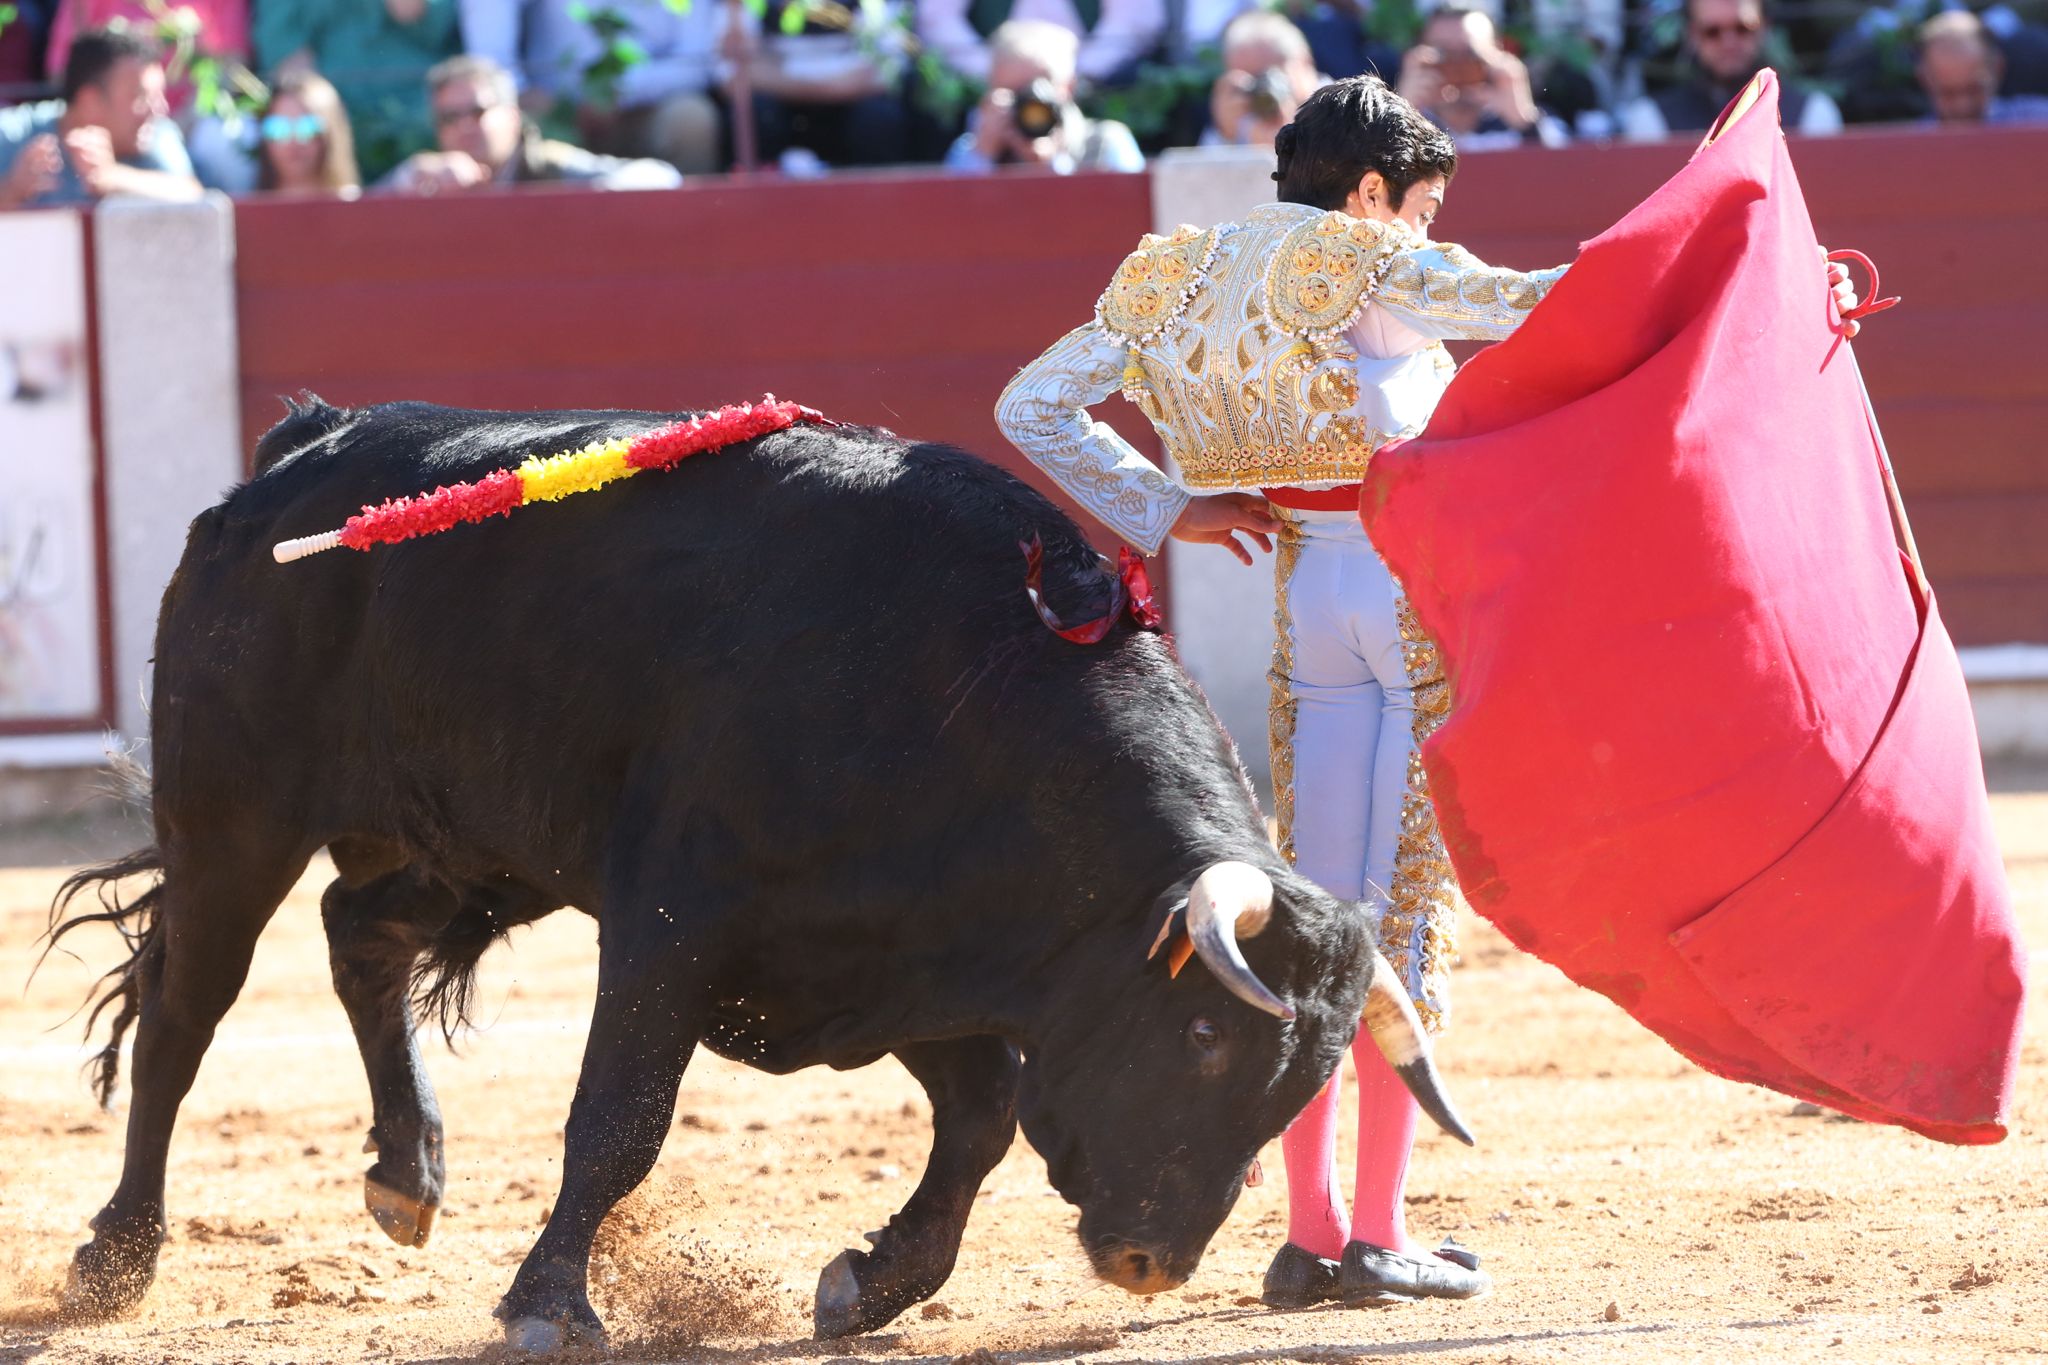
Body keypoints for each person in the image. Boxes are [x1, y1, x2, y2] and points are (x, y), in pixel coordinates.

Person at [995, 73, 1865, 1307]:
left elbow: (1029, 401)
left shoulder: (1175, 276)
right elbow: (1560, 308)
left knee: (1313, 917)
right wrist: (1780, 297)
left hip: (1301, 602)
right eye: (1419, 206)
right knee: (1393, 916)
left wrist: (1162, 505)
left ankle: (1308, 1232)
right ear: (1367, 192)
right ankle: (1375, 1233)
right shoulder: (1366, 260)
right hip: (1403, 601)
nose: (1419, 229)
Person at [459, 0, 725, 175]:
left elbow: (698, 62)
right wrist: (522, 92)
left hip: (648, 110)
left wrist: (618, 93)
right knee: (501, 126)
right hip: (553, 114)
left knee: (692, 119)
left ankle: (691, 239)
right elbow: (490, 56)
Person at [381, 54, 681, 193]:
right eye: (449, 118)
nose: (464, 127)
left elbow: (660, 175)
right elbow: (355, 208)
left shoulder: (546, 165)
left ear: (512, 117)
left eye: (477, 111)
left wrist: (600, 194)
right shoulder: (427, 179)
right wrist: (409, 177)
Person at [253, 0, 461, 180]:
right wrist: (327, 113)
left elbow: (431, 22)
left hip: (417, 114)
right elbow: (285, 50)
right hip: (330, 119)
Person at [0, 25, 199, 209]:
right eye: (142, 98)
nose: (159, 109)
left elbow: (193, 196)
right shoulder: (12, 133)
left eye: (158, 96)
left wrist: (112, 177)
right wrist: (11, 191)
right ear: (90, 101)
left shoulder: (154, 130)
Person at [720, 0, 912, 169]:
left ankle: (876, 204)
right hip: (777, 109)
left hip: (852, 106)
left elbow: (889, 70)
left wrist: (777, 73)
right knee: (756, 114)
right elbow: (730, 75)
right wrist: (832, 85)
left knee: (879, 119)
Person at [1619, 0, 1840, 140]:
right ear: (1692, 35)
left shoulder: (1812, 114)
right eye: (1712, 31)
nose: (1729, 42)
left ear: (1764, 28)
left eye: (1742, 28)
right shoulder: (1651, 120)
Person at [944, 20, 1143, 174]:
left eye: (1035, 90)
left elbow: (1131, 209)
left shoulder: (1107, 144)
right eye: (1011, 93)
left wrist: (1053, 166)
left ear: (1068, 87)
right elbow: (945, 214)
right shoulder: (971, 148)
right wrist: (982, 157)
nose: (1026, 104)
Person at [1397, 6, 1564, 149]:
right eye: (1442, 53)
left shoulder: (1534, 122)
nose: (1457, 65)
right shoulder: (1407, 125)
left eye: (1470, 53)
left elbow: (1565, 172)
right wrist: (1401, 112)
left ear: (1496, 55)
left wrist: (1524, 121)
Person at [919, 0, 1165, 87]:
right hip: (992, 78)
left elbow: (1133, 21)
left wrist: (1079, 72)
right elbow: (938, 18)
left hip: (1093, 80)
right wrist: (997, 71)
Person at [1205, 9, 1322, 148]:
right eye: (1250, 83)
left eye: (1266, 77)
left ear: (1304, 63)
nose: (1260, 92)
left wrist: (1293, 134)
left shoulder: (1341, 110)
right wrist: (1224, 134)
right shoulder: (1240, 122)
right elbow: (1198, 168)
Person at [1916, 10, 2048, 126]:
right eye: (1948, 93)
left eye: (1974, 89)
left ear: (1998, 68)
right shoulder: (1913, 145)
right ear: (1924, 79)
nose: (1963, 106)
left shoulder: (2036, 122)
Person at [252, 68, 360, 196]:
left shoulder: (358, 208)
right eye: (277, 129)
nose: (293, 141)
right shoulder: (237, 212)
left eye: (308, 127)